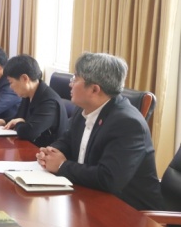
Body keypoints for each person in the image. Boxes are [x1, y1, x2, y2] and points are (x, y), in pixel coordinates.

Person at [36, 52, 164, 211]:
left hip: (129, 212)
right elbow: (68, 140)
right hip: (88, 197)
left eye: (75, 78)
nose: (70, 84)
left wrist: (61, 165)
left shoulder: (128, 123)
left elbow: (109, 178)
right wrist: (50, 152)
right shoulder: (84, 110)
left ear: (94, 89)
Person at [0, 54, 68, 147]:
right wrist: (0, 121)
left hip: (45, 152)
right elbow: (19, 118)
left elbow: (29, 132)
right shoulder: (29, 93)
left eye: (11, 82)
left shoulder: (49, 102)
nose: (10, 87)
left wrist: (19, 122)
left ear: (24, 78)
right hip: (31, 148)